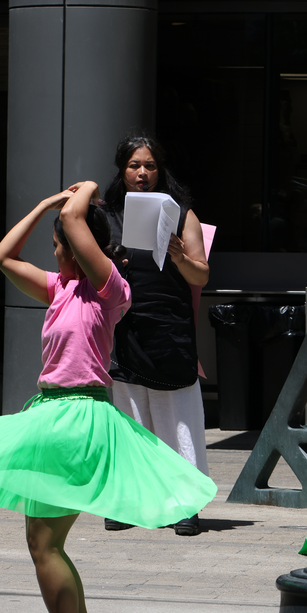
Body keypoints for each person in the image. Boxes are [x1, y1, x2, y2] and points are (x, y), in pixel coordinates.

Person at [0, 181, 215, 613]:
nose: (55, 251)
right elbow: (1, 255)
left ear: (81, 246)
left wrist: (87, 192)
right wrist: (41, 207)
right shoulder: (59, 289)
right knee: (49, 545)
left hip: (77, 419)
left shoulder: (110, 289)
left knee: (44, 546)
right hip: (53, 415)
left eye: (60, 244)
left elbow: (79, 224)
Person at [100, 136, 211, 535]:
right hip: (126, 328)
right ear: (122, 170)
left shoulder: (181, 215)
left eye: (149, 165)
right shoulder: (106, 214)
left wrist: (181, 255)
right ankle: (131, 501)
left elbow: (201, 274)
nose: (142, 173)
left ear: (159, 170)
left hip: (169, 329)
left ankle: (186, 502)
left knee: (178, 418)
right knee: (132, 418)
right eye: (134, 165)